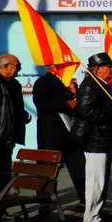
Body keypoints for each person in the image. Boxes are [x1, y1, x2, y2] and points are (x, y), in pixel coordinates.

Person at [71, 53, 112, 222]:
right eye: (108, 67)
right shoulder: (90, 85)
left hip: (102, 138)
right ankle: (91, 217)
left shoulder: (100, 84)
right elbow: (87, 110)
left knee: (102, 179)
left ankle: (97, 211)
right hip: (96, 139)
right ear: (98, 69)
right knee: (96, 180)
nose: (111, 70)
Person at [33, 66, 86, 209]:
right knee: (47, 170)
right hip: (51, 135)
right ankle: (44, 202)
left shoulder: (68, 82)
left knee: (79, 167)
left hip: (71, 134)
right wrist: (65, 103)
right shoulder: (43, 82)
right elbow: (42, 104)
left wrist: (75, 93)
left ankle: (85, 199)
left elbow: (79, 104)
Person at [0, 54, 30, 196]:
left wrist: (21, 115)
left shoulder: (14, 84)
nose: (19, 69)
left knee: (3, 178)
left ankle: (0, 212)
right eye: (17, 66)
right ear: (5, 66)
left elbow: (12, 107)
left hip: (8, 140)